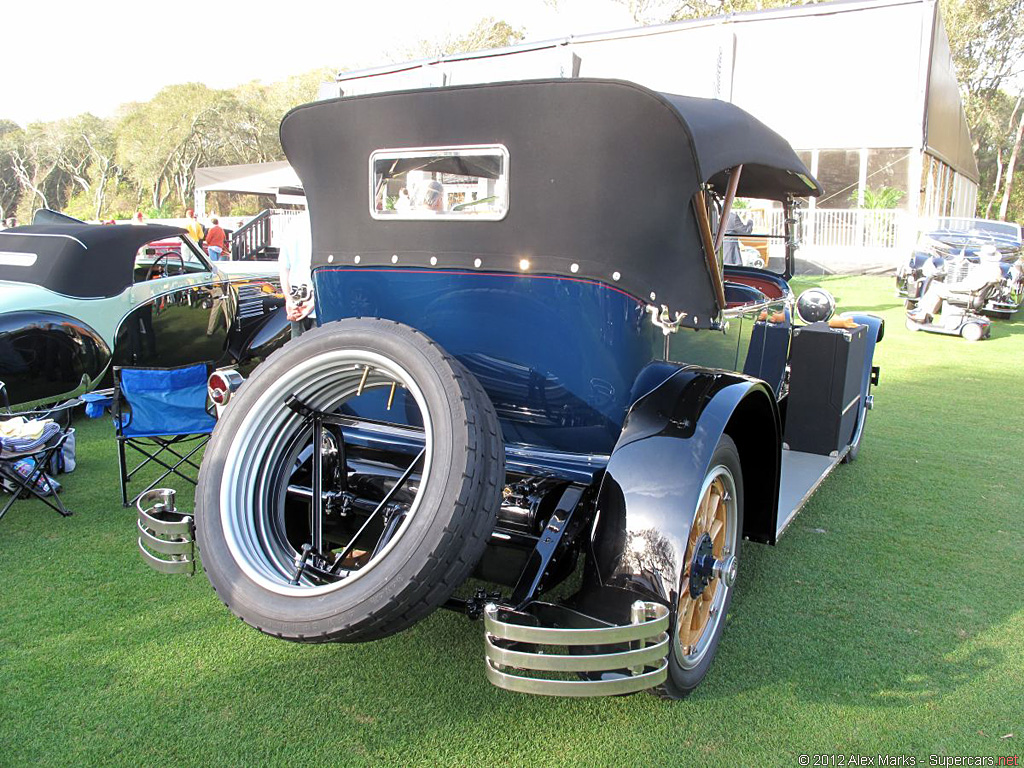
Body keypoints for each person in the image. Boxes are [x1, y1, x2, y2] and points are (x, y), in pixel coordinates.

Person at [909, 244, 1004, 322]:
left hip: (969, 293)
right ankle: (924, 313)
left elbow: (971, 286)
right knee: (938, 287)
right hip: (972, 293)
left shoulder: (985, 269)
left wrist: (951, 287)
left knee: (936, 288)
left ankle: (922, 313)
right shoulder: (994, 269)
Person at [278, 210, 314, 337]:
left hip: (297, 299)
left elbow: (284, 268)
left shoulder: (292, 224)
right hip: (322, 303)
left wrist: (288, 299)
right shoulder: (327, 223)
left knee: (299, 353)